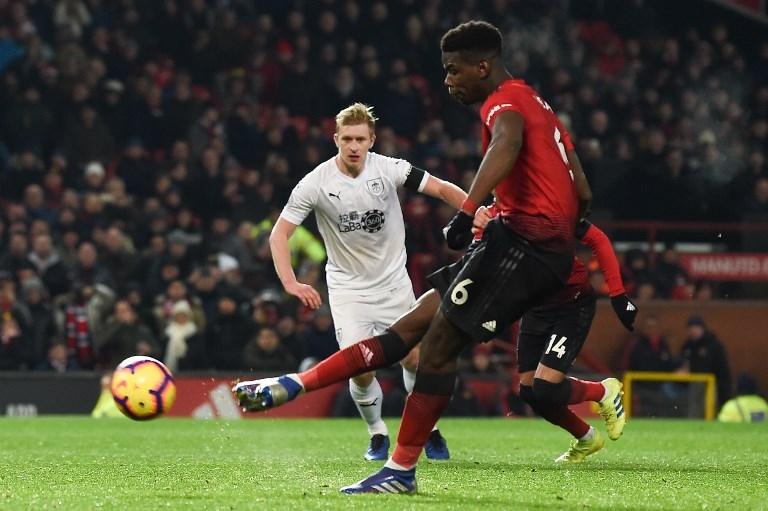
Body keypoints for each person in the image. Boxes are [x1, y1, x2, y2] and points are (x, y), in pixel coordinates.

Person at [234, 21, 626, 492]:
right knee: (413, 331)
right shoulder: (536, 102)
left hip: (523, 247)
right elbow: (581, 190)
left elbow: (505, 144)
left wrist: (471, 211)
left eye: (453, 70)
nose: (447, 80)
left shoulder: (503, 105)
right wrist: (544, 223)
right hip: (513, 243)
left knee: (436, 351)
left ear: (482, 66)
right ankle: (294, 386)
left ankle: (400, 471)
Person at [247, 102, 467, 461]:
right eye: (346, 138)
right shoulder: (315, 183)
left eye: (360, 139)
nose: (353, 146)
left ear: (372, 140)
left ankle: (425, 429)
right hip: (349, 290)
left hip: (394, 285)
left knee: (414, 359)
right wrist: (290, 283)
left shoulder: (391, 169)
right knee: (361, 369)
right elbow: (279, 234)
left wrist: (477, 210)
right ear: (335, 139)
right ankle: (377, 433)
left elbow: (441, 188)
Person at [679, 314, 732, 408]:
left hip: (713, 384)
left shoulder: (713, 344)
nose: (693, 332)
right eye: (691, 329)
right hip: (694, 383)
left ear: (702, 328)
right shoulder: (688, 345)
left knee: (709, 407)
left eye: (695, 328)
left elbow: (714, 367)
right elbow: (682, 360)